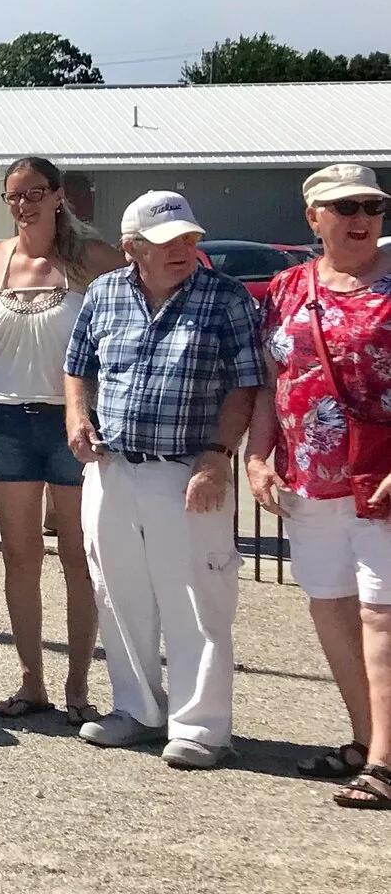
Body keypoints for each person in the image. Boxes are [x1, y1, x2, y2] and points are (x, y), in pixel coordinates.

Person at [64, 189, 264, 769]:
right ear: (132, 249)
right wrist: (77, 416)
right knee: (119, 592)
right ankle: (138, 709)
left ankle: (201, 727)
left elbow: (244, 383)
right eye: (165, 242)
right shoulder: (104, 294)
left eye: (188, 239)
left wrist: (217, 456)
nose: (182, 249)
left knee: (198, 599)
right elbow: (78, 366)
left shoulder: (225, 299)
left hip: (188, 469)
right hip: (113, 466)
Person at [245, 165, 391, 806]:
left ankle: (385, 762)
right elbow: (271, 382)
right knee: (330, 606)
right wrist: (257, 456)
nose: (360, 219)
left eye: (371, 206)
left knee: (380, 614)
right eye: (344, 207)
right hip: (308, 478)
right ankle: (367, 741)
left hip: (379, 479)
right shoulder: (284, 288)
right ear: (314, 217)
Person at [0, 155, 123, 722]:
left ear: (59, 195)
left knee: (78, 558)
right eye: (15, 195)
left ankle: (79, 686)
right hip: (6, 418)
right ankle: (31, 681)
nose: (25, 203)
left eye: (36, 192)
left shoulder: (97, 261)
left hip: (73, 422)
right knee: (19, 557)